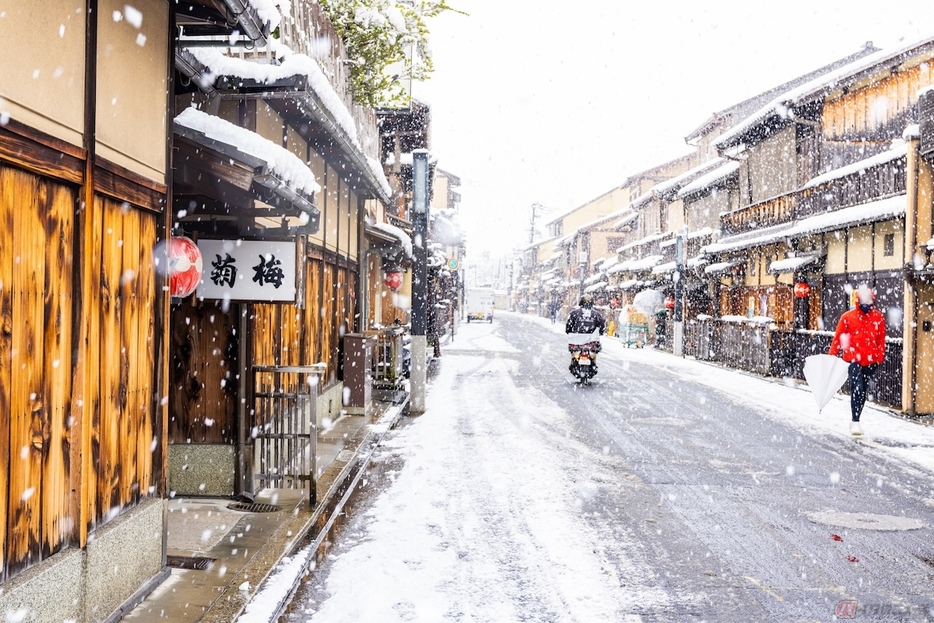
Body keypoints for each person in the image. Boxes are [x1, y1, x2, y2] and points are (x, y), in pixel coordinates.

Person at [829, 284, 886, 436]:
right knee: (857, 388)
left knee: (863, 390)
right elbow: (838, 338)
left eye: (870, 301)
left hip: (870, 360)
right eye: (865, 301)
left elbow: (881, 339)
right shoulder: (847, 317)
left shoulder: (878, 317)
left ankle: (856, 418)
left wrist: (879, 357)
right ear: (858, 301)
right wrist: (832, 357)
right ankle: (855, 421)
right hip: (853, 359)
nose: (867, 304)